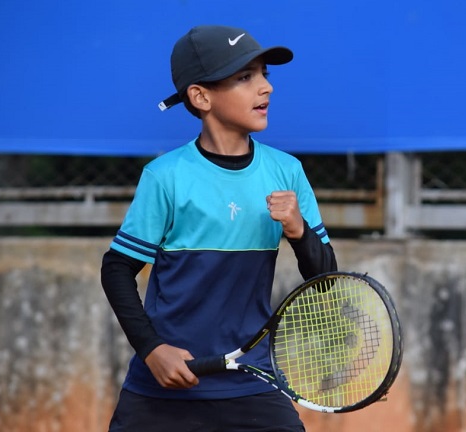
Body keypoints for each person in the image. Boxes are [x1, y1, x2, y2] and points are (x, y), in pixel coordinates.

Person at [101, 24, 337, 432]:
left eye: (265, 75)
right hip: (162, 391)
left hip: (252, 386)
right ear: (200, 96)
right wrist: (152, 350)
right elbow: (116, 270)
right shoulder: (166, 176)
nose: (266, 88)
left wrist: (298, 230)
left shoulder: (287, 172)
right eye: (245, 77)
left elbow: (325, 281)